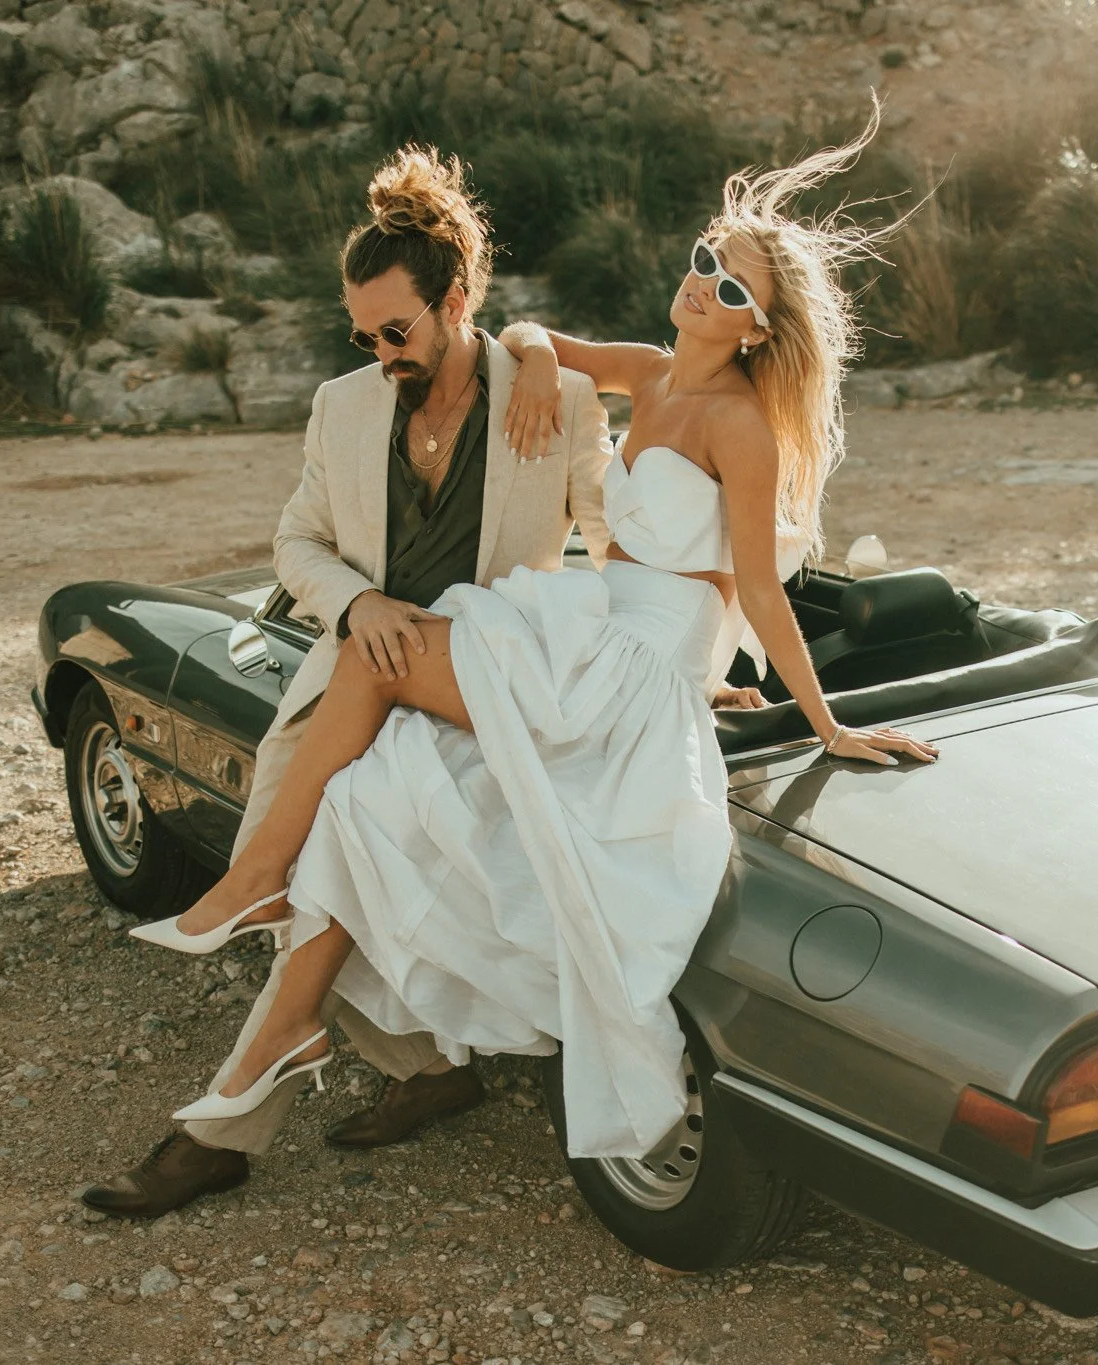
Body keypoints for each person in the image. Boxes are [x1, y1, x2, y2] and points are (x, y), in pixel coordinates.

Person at [129, 111, 938, 1171]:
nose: (703, 288)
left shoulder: (735, 423)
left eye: (731, 291)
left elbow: (748, 581)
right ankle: (337, 1022)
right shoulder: (649, 374)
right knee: (373, 794)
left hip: (627, 666)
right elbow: (544, 347)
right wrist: (517, 347)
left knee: (384, 668)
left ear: (755, 329)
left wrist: (814, 718)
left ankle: (252, 892)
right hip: (591, 628)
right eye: (705, 263)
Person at [81, 146, 619, 1217]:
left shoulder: (549, 404)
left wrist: (685, 660)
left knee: (319, 862)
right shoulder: (344, 406)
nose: (379, 354)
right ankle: (429, 1068)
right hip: (353, 677)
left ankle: (224, 1126)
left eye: (397, 332)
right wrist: (356, 603)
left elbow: (615, 543)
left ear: (455, 301)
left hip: (474, 697)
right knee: (288, 876)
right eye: (361, 334)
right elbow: (297, 543)